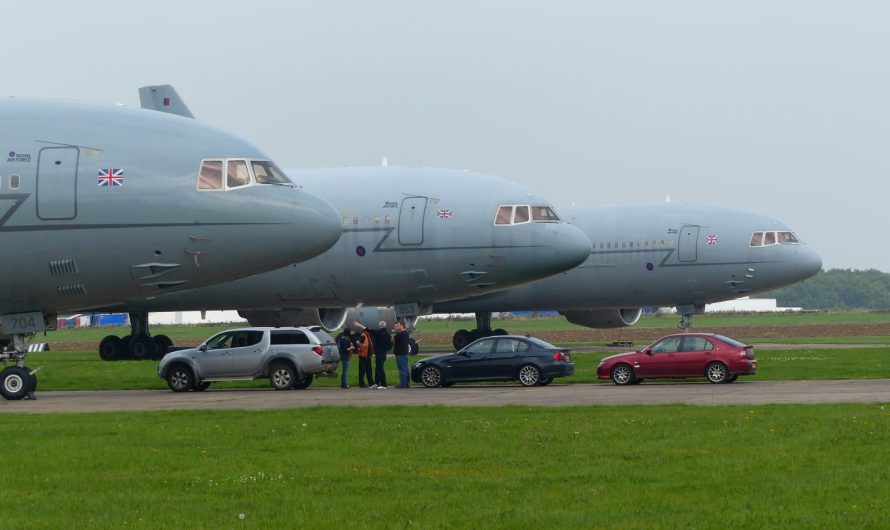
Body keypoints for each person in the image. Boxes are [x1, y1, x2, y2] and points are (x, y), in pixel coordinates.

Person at [354, 320, 392, 389]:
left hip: (378, 353)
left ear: (379, 326)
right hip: (383, 353)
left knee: (380, 368)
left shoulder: (378, 332)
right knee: (378, 367)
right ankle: (377, 383)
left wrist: (359, 325)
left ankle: (383, 384)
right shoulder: (388, 334)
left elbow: (368, 329)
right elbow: (390, 345)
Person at [392, 321, 412, 388]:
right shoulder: (406, 333)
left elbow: (392, 340)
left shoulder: (400, 334)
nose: (396, 327)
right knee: (405, 368)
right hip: (405, 353)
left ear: (402, 326)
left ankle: (403, 384)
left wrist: (395, 332)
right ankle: (407, 383)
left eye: (397, 325)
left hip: (400, 354)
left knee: (402, 369)